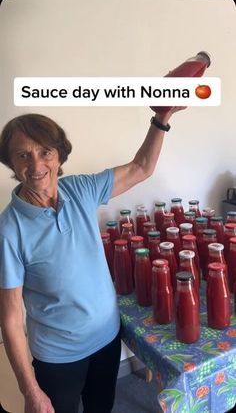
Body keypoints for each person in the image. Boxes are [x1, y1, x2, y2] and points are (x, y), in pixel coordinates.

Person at [0, 107, 185, 413]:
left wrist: (162, 118)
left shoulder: (81, 189)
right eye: (23, 155)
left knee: (102, 407)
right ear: (11, 163)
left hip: (107, 339)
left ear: (59, 155)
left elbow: (141, 167)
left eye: (45, 152)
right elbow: (9, 318)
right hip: (58, 357)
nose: (35, 165)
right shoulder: (9, 230)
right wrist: (30, 389)